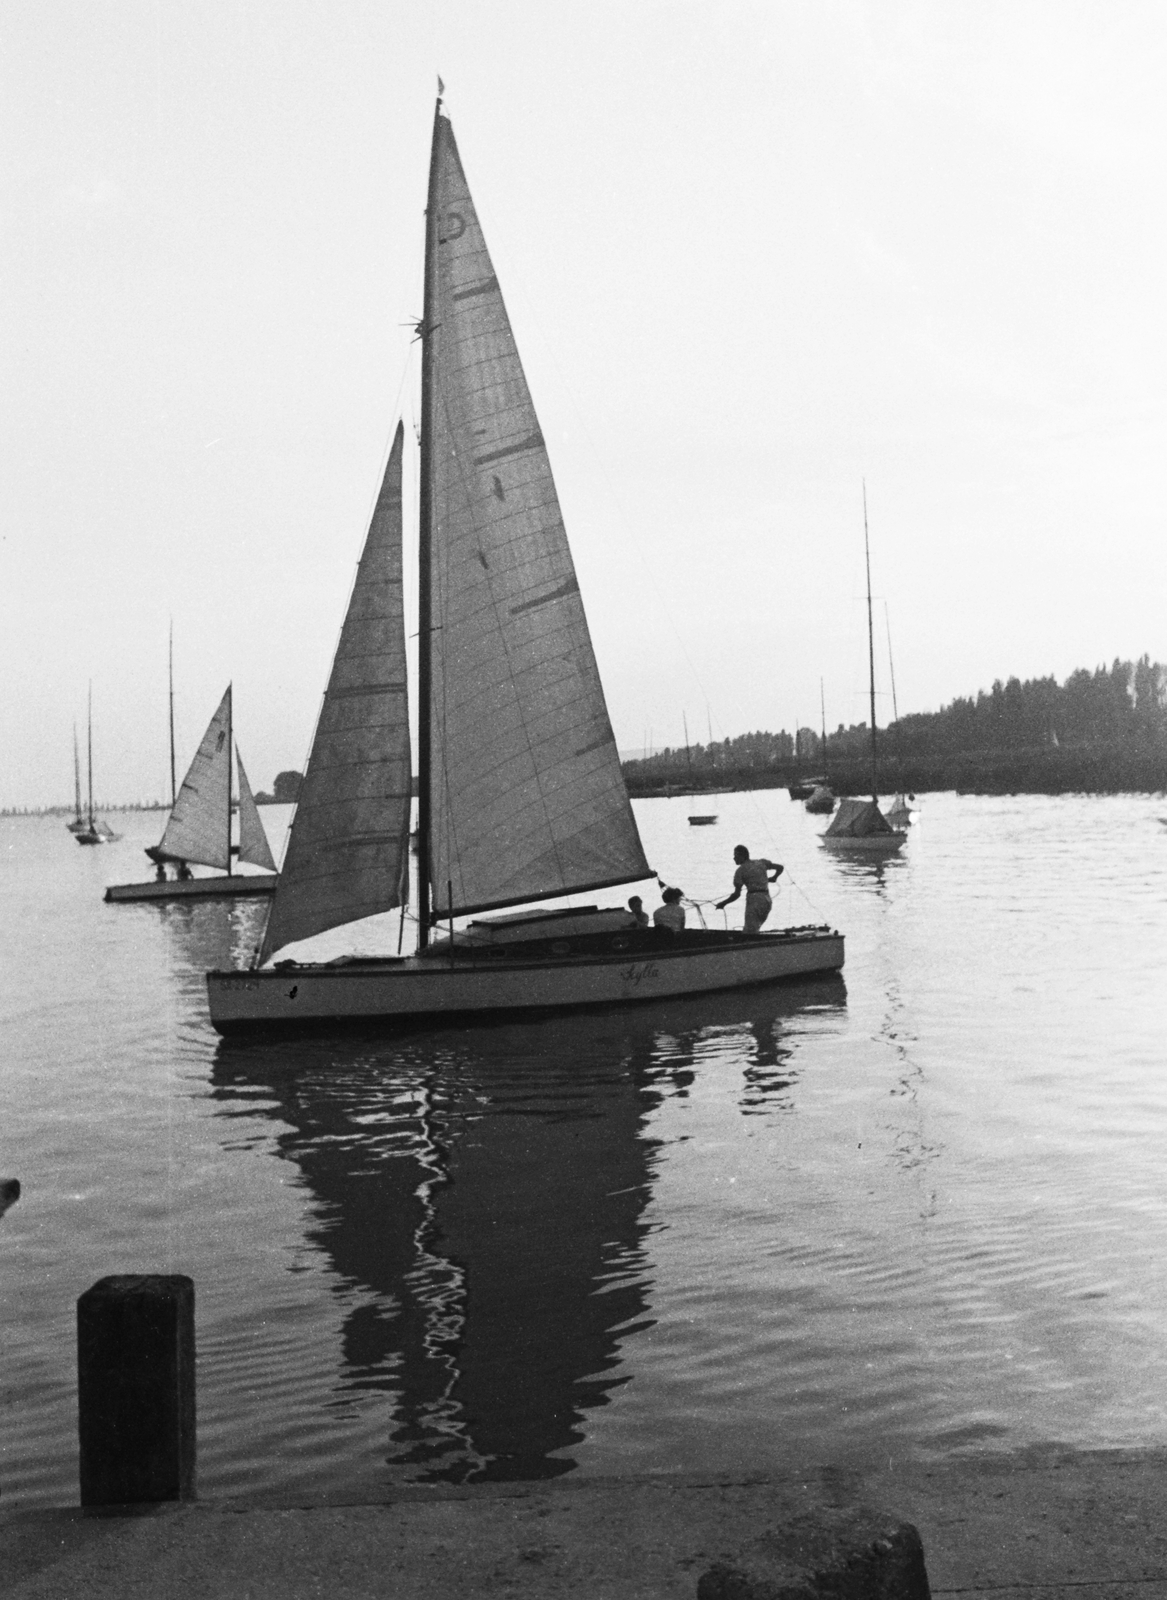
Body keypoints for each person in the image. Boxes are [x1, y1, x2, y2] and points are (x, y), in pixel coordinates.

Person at [716, 845, 783, 934]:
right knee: (754, 928)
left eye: (735, 855)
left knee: (750, 932)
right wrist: (774, 877)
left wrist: (723, 903)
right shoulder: (761, 863)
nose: (734, 858)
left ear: (742, 856)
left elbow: (736, 894)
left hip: (754, 900)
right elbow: (780, 867)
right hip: (766, 899)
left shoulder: (740, 871)